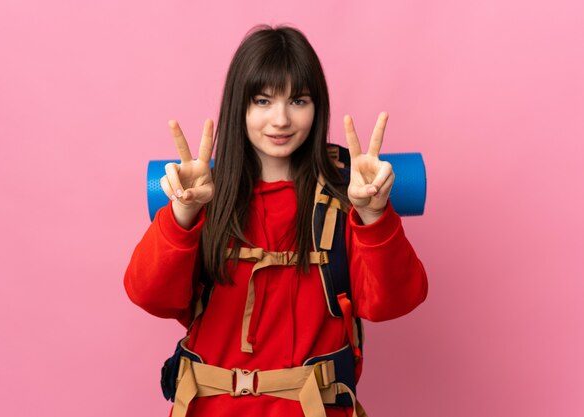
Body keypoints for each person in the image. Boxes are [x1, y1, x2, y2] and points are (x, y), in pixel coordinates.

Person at [124, 25, 428, 417]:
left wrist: (372, 214)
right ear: (240, 107)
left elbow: (394, 302)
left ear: (317, 107)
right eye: (263, 101)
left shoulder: (344, 198)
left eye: (298, 100)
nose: (281, 119)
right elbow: (148, 294)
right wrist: (182, 216)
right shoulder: (204, 196)